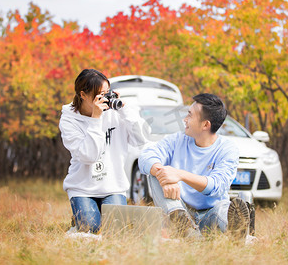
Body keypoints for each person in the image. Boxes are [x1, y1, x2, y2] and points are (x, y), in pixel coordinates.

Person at [138, 93, 250, 239]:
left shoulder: (227, 149)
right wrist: (165, 177)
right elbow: (145, 156)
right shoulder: (177, 139)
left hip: (211, 213)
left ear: (205, 125)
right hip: (180, 208)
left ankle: (239, 230)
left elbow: (216, 186)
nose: (185, 120)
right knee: (155, 172)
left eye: (190, 116)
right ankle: (185, 227)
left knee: (223, 210)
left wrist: (179, 175)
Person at [60, 69, 148, 233]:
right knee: (91, 228)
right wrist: (95, 119)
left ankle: (86, 216)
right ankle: (80, 218)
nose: (105, 99)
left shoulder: (116, 113)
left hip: (113, 185)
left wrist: (124, 110)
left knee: (115, 230)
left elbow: (141, 139)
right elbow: (89, 156)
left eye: (107, 93)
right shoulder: (69, 119)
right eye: (99, 95)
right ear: (83, 95)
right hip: (82, 187)